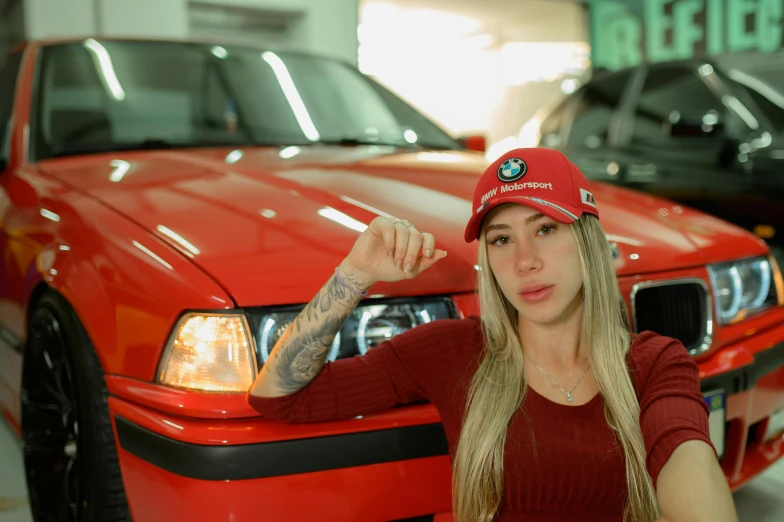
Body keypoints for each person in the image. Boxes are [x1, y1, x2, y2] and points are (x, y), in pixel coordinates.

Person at [247, 148, 738, 522]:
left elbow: (685, 456)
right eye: (502, 239)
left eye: (545, 229)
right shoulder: (454, 351)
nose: (525, 260)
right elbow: (279, 396)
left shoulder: (654, 362)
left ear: (586, 238)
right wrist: (354, 273)